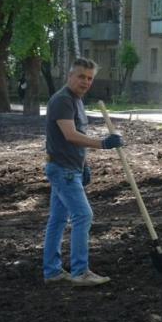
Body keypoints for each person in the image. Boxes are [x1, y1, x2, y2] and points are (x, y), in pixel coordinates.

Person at [43, 58, 124, 287]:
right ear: (70, 76)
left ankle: (52, 271)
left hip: (70, 168)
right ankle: (80, 272)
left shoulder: (76, 101)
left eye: (89, 78)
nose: (85, 82)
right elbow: (70, 135)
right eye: (81, 76)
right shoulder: (62, 100)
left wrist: (84, 165)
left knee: (58, 219)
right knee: (83, 215)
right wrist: (103, 143)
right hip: (63, 170)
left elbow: (73, 140)